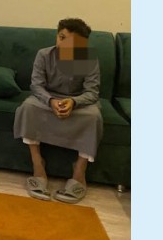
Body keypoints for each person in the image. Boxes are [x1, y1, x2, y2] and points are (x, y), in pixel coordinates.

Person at [13, 18, 102, 204]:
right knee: (28, 107)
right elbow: (36, 86)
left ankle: (79, 173)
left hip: (78, 102)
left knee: (93, 117)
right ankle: (38, 166)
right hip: (47, 99)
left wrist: (73, 102)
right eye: (61, 37)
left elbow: (92, 93)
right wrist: (51, 100)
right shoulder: (44, 55)